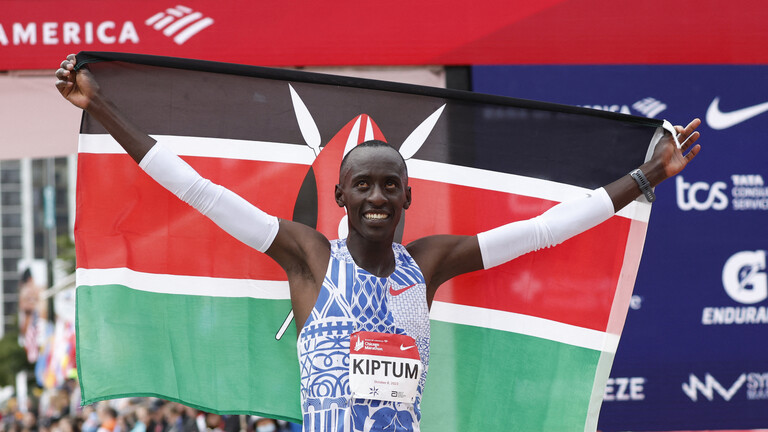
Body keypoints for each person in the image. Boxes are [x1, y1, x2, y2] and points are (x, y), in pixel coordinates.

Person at [56, 54, 701, 432]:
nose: (377, 197)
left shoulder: (429, 264)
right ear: (340, 195)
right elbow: (200, 192)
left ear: (407, 197)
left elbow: (543, 231)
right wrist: (102, 107)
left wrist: (647, 176)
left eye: (390, 185)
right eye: (362, 185)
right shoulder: (309, 258)